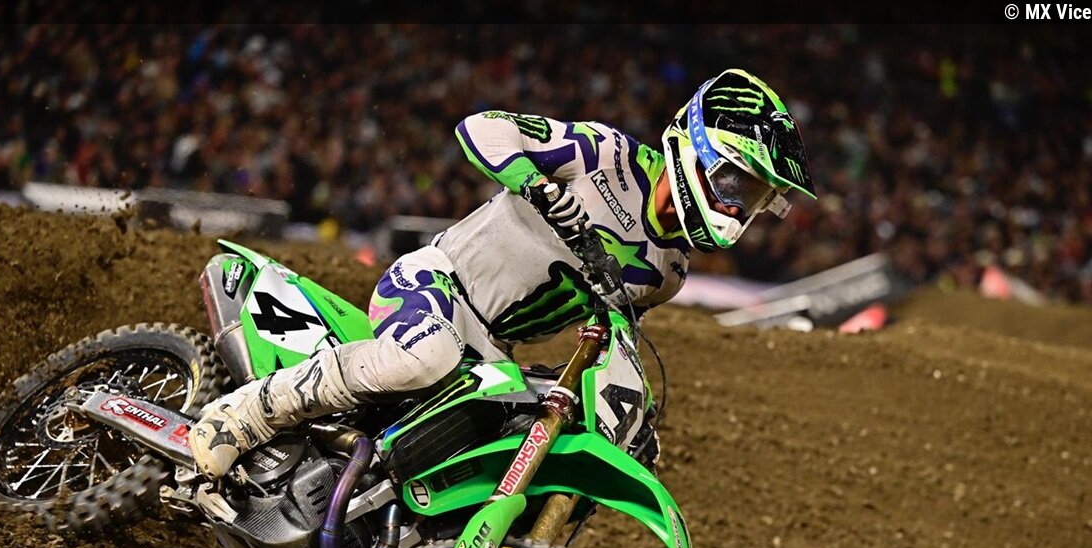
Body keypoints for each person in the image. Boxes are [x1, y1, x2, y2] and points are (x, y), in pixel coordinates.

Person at [190, 68, 817, 479]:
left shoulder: (668, 272)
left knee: (494, 454)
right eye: (738, 185)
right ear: (699, 148)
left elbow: (609, 340)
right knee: (425, 356)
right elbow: (482, 128)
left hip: (491, 347)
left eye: (755, 199)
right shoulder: (605, 155)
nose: (739, 208)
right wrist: (536, 184)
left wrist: (635, 417)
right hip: (437, 284)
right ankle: (246, 415)